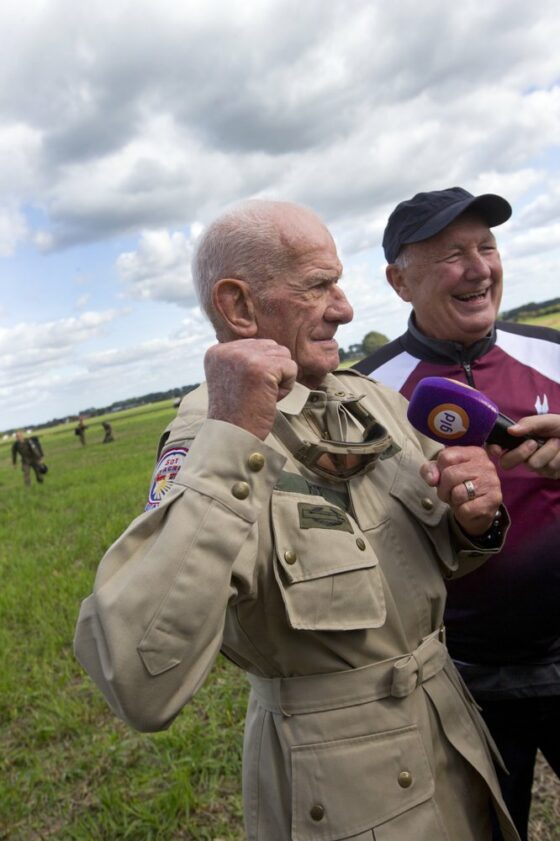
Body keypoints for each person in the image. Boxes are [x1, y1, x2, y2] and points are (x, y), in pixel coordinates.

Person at [74, 200, 520, 841]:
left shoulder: (371, 401)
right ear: (239, 307)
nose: (345, 308)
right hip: (345, 791)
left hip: (453, 734)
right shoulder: (208, 435)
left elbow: (428, 553)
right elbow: (139, 682)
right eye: (319, 286)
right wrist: (232, 436)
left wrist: (475, 521)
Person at [355, 187, 560, 841]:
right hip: (457, 679)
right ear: (398, 280)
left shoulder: (553, 353)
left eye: (487, 247)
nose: (478, 268)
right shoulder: (366, 396)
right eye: (451, 254)